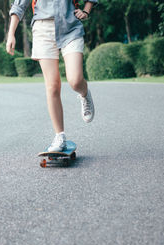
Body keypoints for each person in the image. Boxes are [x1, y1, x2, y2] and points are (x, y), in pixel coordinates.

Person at [6, 0, 97, 152]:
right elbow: (19, 5)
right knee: (52, 86)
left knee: (75, 80)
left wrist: (86, 11)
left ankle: (84, 93)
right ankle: (59, 136)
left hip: (70, 26)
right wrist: (11, 34)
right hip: (42, 30)